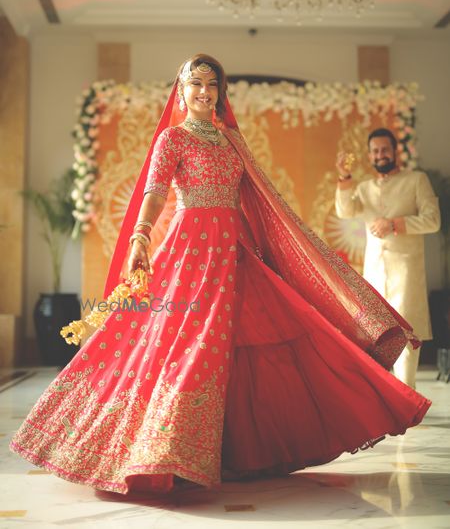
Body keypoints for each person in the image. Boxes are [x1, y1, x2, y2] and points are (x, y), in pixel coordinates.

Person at [10, 56, 431, 496]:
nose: (204, 92)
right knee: (182, 345)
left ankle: (226, 453)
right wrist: (140, 235)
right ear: (181, 89)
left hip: (235, 255)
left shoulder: (232, 141)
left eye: (212, 85)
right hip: (189, 254)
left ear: (221, 92)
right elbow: (154, 191)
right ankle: (165, 453)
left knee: (258, 344)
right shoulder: (172, 139)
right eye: (195, 84)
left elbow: (261, 201)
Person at [335, 127, 440, 389]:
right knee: (378, 333)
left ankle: (408, 396)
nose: (380, 155)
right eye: (375, 151)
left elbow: (433, 220)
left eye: (385, 149)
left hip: (406, 271)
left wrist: (394, 225)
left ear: (395, 152)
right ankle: (385, 401)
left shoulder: (416, 180)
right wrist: (344, 177)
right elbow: (345, 211)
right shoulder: (365, 187)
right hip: (375, 271)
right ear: (370, 156)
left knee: (406, 332)